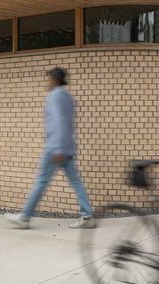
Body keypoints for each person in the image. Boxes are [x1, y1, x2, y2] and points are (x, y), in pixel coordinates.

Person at [7, 66, 96, 229]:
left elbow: (59, 122)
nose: (47, 82)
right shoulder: (68, 97)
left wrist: (57, 148)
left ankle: (25, 217)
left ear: (55, 80)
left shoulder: (54, 96)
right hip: (67, 147)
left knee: (41, 181)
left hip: (56, 148)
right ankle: (87, 216)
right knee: (76, 182)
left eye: (49, 79)